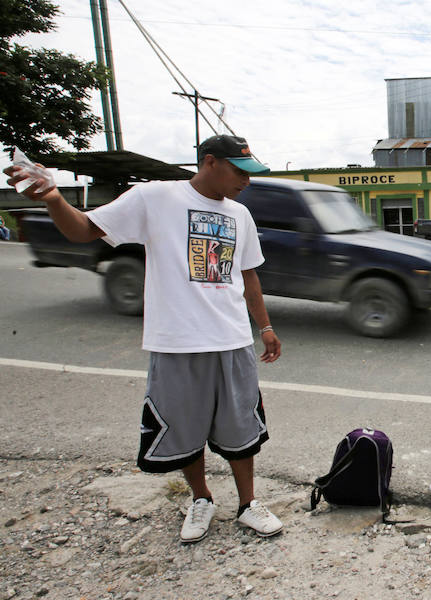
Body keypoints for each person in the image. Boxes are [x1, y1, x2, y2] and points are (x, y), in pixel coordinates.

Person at [4, 134, 284, 544]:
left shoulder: (240, 214)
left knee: (242, 425)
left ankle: (248, 504)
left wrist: (265, 327)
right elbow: (85, 229)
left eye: (250, 173)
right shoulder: (155, 197)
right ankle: (201, 499)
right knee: (183, 428)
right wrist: (53, 198)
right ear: (209, 162)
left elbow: (248, 274)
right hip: (176, 341)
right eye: (239, 171)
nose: (246, 180)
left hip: (232, 339)